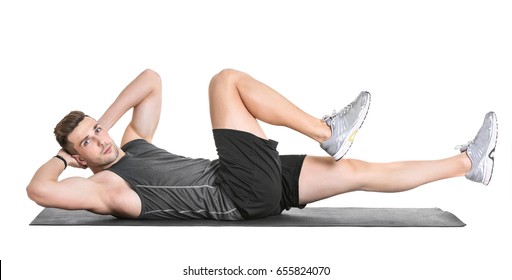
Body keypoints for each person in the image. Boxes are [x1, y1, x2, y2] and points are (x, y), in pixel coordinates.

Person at [26, 69, 498, 220]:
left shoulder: (130, 142)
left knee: (359, 172)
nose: (100, 140)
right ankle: (326, 131)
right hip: (237, 193)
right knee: (225, 82)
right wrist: (64, 157)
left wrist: (101, 123)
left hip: (247, 183)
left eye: (97, 131)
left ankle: (466, 164)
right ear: (79, 157)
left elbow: (150, 80)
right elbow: (40, 190)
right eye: (88, 142)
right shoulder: (103, 187)